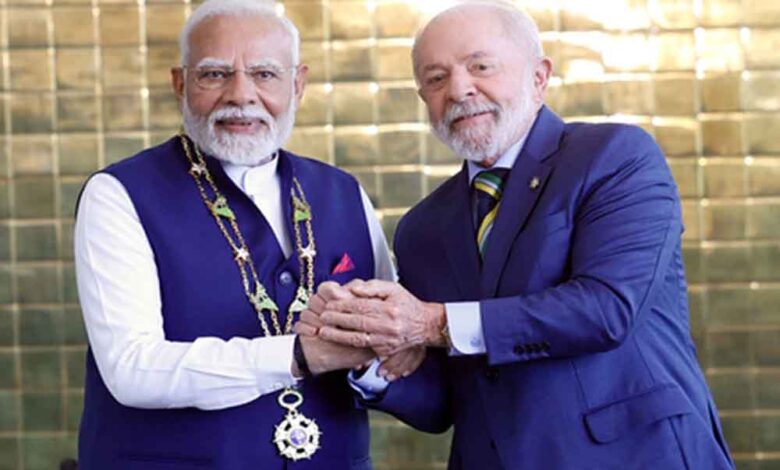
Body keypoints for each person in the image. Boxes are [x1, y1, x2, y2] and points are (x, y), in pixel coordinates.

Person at [297, 2, 736, 468]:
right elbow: (444, 403)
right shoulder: (422, 228)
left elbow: (607, 309)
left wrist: (432, 322)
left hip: (636, 456)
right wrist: (369, 355)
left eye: (480, 67)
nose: (459, 89)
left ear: (539, 77)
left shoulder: (614, 156)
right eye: (436, 78)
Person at [73, 0, 410, 468]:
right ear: (180, 83)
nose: (241, 95)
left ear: (298, 85)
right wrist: (298, 355)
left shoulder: (343, 192)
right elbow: (131, 368)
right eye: (214, 74)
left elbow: (390, 346)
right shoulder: (119, 194)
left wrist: (381, 356)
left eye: (265, 74)